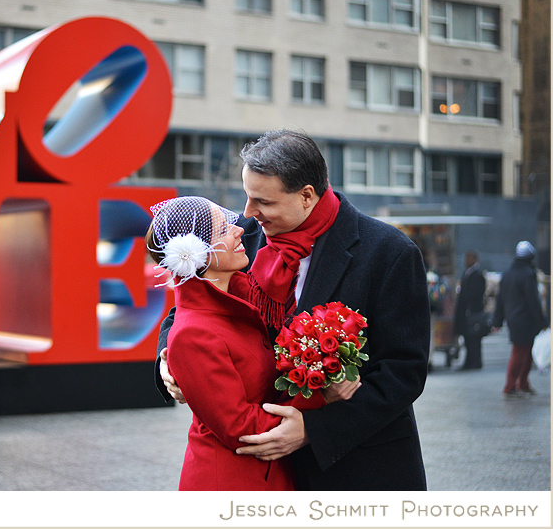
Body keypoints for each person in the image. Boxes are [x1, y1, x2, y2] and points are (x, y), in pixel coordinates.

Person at [156, 128, 430, 491]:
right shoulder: (244, 241)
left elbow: (404, 371)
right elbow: (190, 308)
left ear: (306, 196)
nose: (248, 213)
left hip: (358, 469)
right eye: (247, 197)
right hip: (266, 474)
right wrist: (166, 361)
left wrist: (315, 430)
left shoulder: (389, 252)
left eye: (263, 202)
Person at [147, 196, 357, 490]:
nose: (240, 229)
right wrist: (321, 397)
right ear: (196, 253)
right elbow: (240, 427)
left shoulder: (239, 297)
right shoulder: (195, 331)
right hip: (231, 481)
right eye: (223, 230)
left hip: (266, 473)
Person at [492, 241, 548, 398]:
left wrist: (498, 319)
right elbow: (533, 300)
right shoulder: (528, 274)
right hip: (526, 319)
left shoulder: (507, 273)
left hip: (513, 319)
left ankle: (522, 383)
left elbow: (500, 299)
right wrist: (542, 320)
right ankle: (510, 386)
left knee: (525, 351)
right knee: (520, 352)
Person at [453, 251, 487, 370]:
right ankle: (469, 361)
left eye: (469, 258)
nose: (466, 260)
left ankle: (475, 361)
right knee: (468, 339)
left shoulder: (477, 275)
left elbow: (477, 293)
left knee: (474, 339)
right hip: (467, 312)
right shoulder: (467, 273)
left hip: (473, 311)